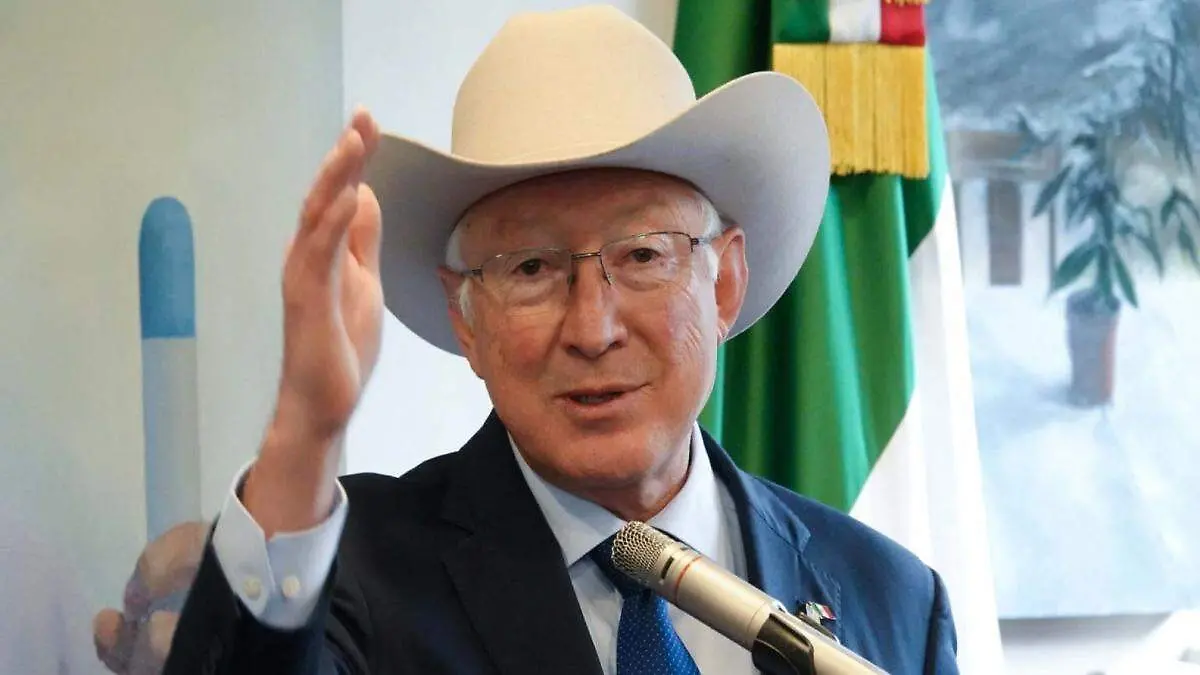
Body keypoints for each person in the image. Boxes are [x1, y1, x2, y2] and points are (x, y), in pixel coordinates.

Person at [96, 5, 959, 674]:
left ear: (725, 281)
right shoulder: (353, 574)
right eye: (532, 268)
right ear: (465, 315)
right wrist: (305, 429)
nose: (593, 328)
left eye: (643, 255)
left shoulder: (889, 599)